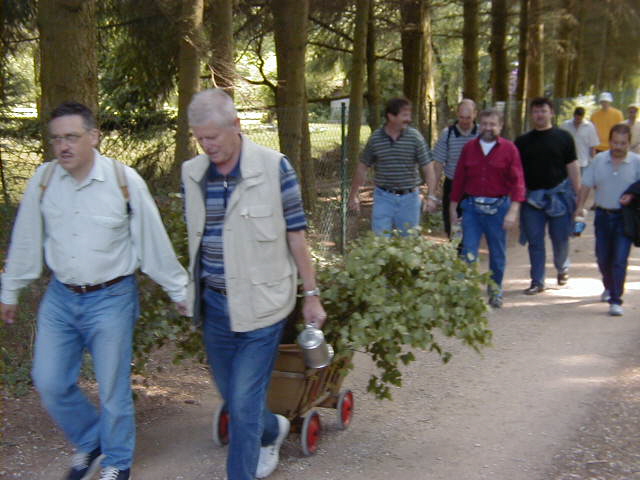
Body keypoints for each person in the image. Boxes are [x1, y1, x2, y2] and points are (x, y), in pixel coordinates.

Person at [0, 102, 188, 480]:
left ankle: (117, 463)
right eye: (56, 139)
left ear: (94, 137)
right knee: (50, 381)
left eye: (72, 136)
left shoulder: (123, 180)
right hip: (61, 298)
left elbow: (151, 240)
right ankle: (91, 438)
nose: (63, 146)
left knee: (113, 390)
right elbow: (25, 239)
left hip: (112, 298)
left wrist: (178, 288)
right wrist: (11, 289)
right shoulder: (44, 179)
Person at [181, 88, 326, 480]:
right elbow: (197, 239)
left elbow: (296, 236)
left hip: (264, 307)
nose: (207, 145)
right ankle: (271, 428)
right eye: (200, 138)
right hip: (215, 308)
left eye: (213, 136)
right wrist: (187, 290)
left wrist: (311, 296)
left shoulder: (274, 167)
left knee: (243, 405)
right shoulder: (193, 173)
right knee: (234, 399)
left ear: (236, 126)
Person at [449, 109, 525, 308]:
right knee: (469, 252)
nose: (488, 128)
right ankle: (468, 292)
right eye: (484, 124)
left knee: (497, 252)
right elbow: (459, 179)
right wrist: (453, 207)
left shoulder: (509, 149)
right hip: (472, 209)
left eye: (493, 124)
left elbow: (518, 182)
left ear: (500, 126)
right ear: (478, 125)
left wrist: (514, 210)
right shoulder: (469, 148)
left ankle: (495, 291)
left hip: (499, 209)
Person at [515, 97, 580, 294]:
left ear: (551, 113)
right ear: (531, 114)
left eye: (543, 111)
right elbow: (516, 172)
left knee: (560, 239)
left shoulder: (564, 138)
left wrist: (579, 198)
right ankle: (537, 281)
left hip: (559, 197)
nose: (539, 115)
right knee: (535, 241)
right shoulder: (522, 141)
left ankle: (562, 267)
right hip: (531, 199)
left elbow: (573, 168)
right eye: (535, 111)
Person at [576, 123, 640, 316]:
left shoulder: (637, 162)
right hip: (603, 215)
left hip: (625, 217)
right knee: (603, 258)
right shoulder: (599, 160)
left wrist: (632, 195)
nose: (618, 147)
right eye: (614, 142)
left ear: (629, 143)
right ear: (609, 141)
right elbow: (586, 184)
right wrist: (579, 208)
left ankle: (616, 299)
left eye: (622, 143)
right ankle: (609, 285)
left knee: (619, 259)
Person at [348, 97, 437, 236]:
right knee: (380, 242)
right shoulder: (376, 139)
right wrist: (353, 195)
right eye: (404, 115)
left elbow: (428, 167)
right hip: (384, 197)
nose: (409, 119)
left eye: (409, 115)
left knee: (408, 244)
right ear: (391, 116)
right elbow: (362, 167)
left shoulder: (415, 137)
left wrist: (431, 196)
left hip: (410, 198)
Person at [431, 98, 479, 237]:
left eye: (468, 117)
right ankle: (457, 253)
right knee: (452, 227)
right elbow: (438, 164)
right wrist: (432, 193)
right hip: (452, 184)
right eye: (461, 117)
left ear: (475, 114)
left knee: (471, 228)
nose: (464, 121)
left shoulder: (481, 133)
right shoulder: (448, 134)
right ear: (457, 114)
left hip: (474, 186)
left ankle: (468, 254)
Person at [560, 106, 600, 174]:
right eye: (576, 118)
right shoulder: (565, 125)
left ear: (583, 116)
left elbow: (593, 147)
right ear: (574, 115)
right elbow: (560, 144)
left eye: (580, 118)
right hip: (568, 162)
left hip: (584, 163)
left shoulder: (589, 126)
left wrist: (594, 163)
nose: (578, 120)